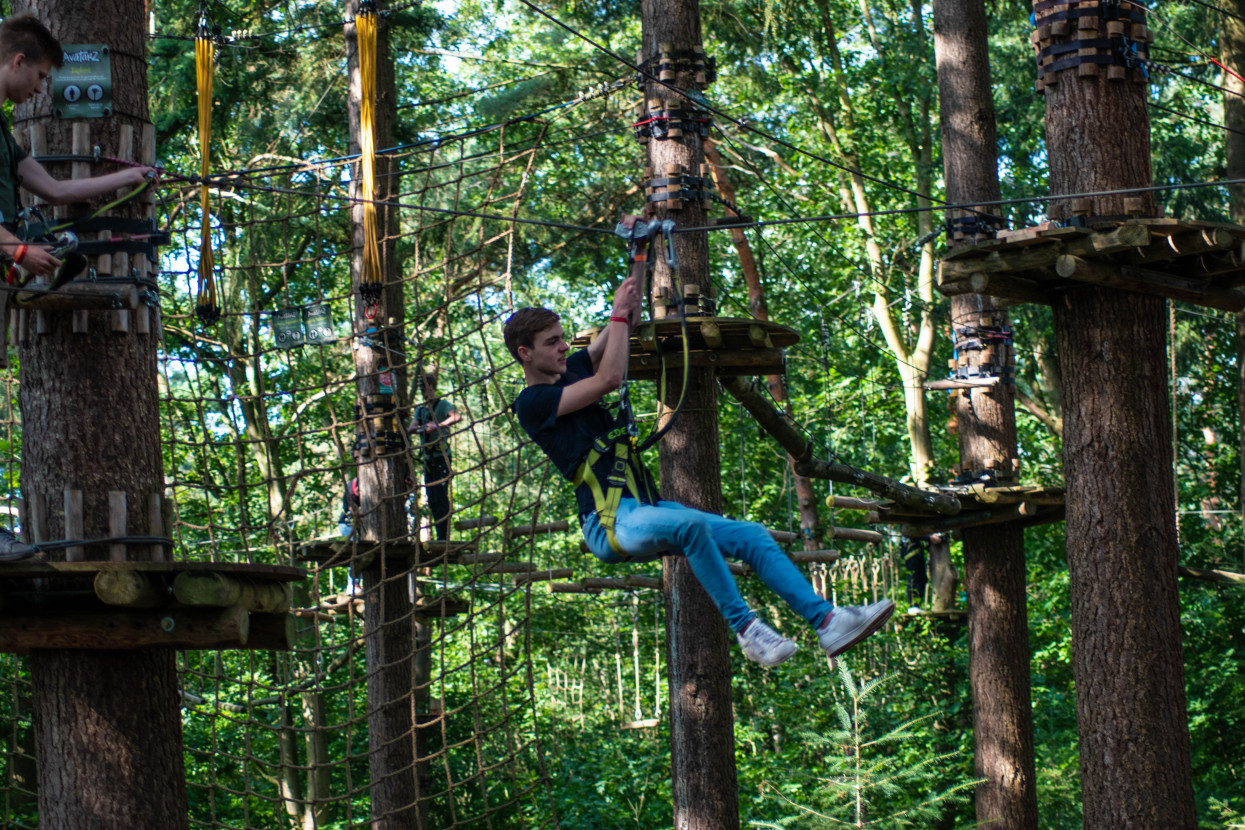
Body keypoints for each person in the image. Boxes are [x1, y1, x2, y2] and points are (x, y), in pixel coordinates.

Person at [504, 276, 894, 668]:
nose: (562, 346)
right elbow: (610, 378)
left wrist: (638, 255)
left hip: (647, 507)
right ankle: (748, 631)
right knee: (692, 527)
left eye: (561, 337)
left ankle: (827, 621)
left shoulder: (570, 368)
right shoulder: (532, 403)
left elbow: (623, 322)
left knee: (752, 536)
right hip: (610, 521)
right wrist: (620, 316)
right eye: (551, 341)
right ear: (525, 353)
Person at [0, 15, 153, 279]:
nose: (39, 90)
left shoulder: (3, 135)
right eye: (39, 76)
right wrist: (20, 251)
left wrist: (130, 176)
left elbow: (55, 190)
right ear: (19, 61)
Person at [407, 372, 461, 541]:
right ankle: (440, 535)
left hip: (441, 458)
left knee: (441, 498)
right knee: (432, 498)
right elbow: (412, 427)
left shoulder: (443, 405)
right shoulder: (421, 409)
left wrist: (436, 426)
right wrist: (416, 428)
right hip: (428, 460)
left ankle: (443, 537)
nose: (424, 392)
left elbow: (457, 416)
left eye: (426, 388)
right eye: (422, 389)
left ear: (433, 387)